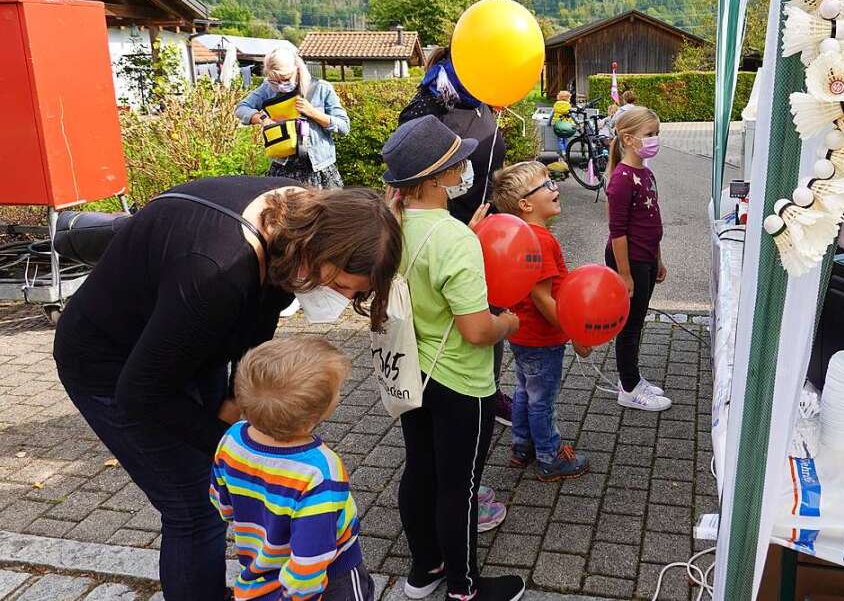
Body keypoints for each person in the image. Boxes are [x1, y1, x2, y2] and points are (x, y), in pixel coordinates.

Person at [53, 177, 402, 601]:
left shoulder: (297, 220)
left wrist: (239, 400)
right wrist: (238, 447)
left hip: (182, 340)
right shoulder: (218, 270)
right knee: (193, 509)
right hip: (110, 364)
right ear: (321, 250)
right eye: (346, 285)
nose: (345, 298)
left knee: (216, 470)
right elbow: (140, 392)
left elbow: (262, 314)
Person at [381, 116, 525, 601]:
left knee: (419, 467)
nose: (465, 168)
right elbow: (477, 328)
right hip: (461, 381)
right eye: (457, 161)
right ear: (436, 177)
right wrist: (509, 323)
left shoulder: (392, 225)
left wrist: (465, 231)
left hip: (411, 372)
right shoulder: (455, 240)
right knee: (459, 486)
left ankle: (423, 571)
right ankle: (464, 589)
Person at [397, 48, 513, 428]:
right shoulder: (431, 106)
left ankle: (485, 393)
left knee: (482, 310)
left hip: (482, 231)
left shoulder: (480, 102)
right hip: (445, 231)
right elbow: (406, 170)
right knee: (457, 323)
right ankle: (449, 399)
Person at [211, 335, 372, 601]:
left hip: (258, 574)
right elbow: (310, 562)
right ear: (314, 417)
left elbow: (223, 505)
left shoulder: (232, 439)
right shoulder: (320, 471)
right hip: (331, 579)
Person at [490, 162, 590, 482]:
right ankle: (550, 456)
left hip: (522, 333)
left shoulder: (520, 235)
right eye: (546, 184)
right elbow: (543, 297)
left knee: (524, 389)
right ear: (526, 204)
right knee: (542, 399)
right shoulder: (541, 240)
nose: (555, 187)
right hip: (543, 337)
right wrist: (574, 331)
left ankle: (522, 446)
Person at [605, 107, 672, 412]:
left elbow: (652, 221)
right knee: (630, 327)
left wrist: (658, 258)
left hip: (645, 258)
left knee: (638, 322)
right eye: (649, 134)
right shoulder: (621, 179)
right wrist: (625, 274)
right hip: (628, 261)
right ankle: (629, 387)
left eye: (657, 133)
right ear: (629, 139)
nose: (655, 139)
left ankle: (633, 378)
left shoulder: (646, 173)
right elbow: (617, 232)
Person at [236, 47, 350, 189]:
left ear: (297, 69)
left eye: (285, 79)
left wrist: (313, 113)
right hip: (283, 168)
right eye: (274, 81)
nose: (280, 86)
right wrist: (262, 118)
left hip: (319, 169)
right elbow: (241, 108)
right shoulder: (267, 88)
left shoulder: (321, 88)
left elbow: (344, 127)